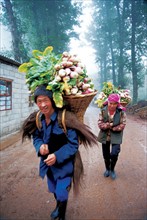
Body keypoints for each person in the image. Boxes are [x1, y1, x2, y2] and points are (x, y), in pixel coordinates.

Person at [22, 84, 98, 220]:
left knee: (62, 192)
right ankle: (58, 205)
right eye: (39, 101)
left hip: (65, 165)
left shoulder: (64, 119)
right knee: (54, 190)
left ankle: (61, 214)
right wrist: (40, 146)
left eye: (46, 100)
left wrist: (57, 156)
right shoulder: (38, 119)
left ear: (52, 100)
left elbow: (73, 144)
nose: (43, 105)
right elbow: (36, 137)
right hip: (48, 165)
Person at [97, 93, 126, 180]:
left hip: (116, 136)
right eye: (111, 103)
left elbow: (123, 124)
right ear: (108, 102)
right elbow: (99, 123)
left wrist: (114, 128)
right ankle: (107, 169)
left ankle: (112, 169)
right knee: (106, 154)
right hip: (104, 136)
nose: (112, 106)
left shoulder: (121, 112)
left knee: (114, 153)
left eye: (114, 104)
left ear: (117, 104)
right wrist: (109, 125)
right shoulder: (103, 110)